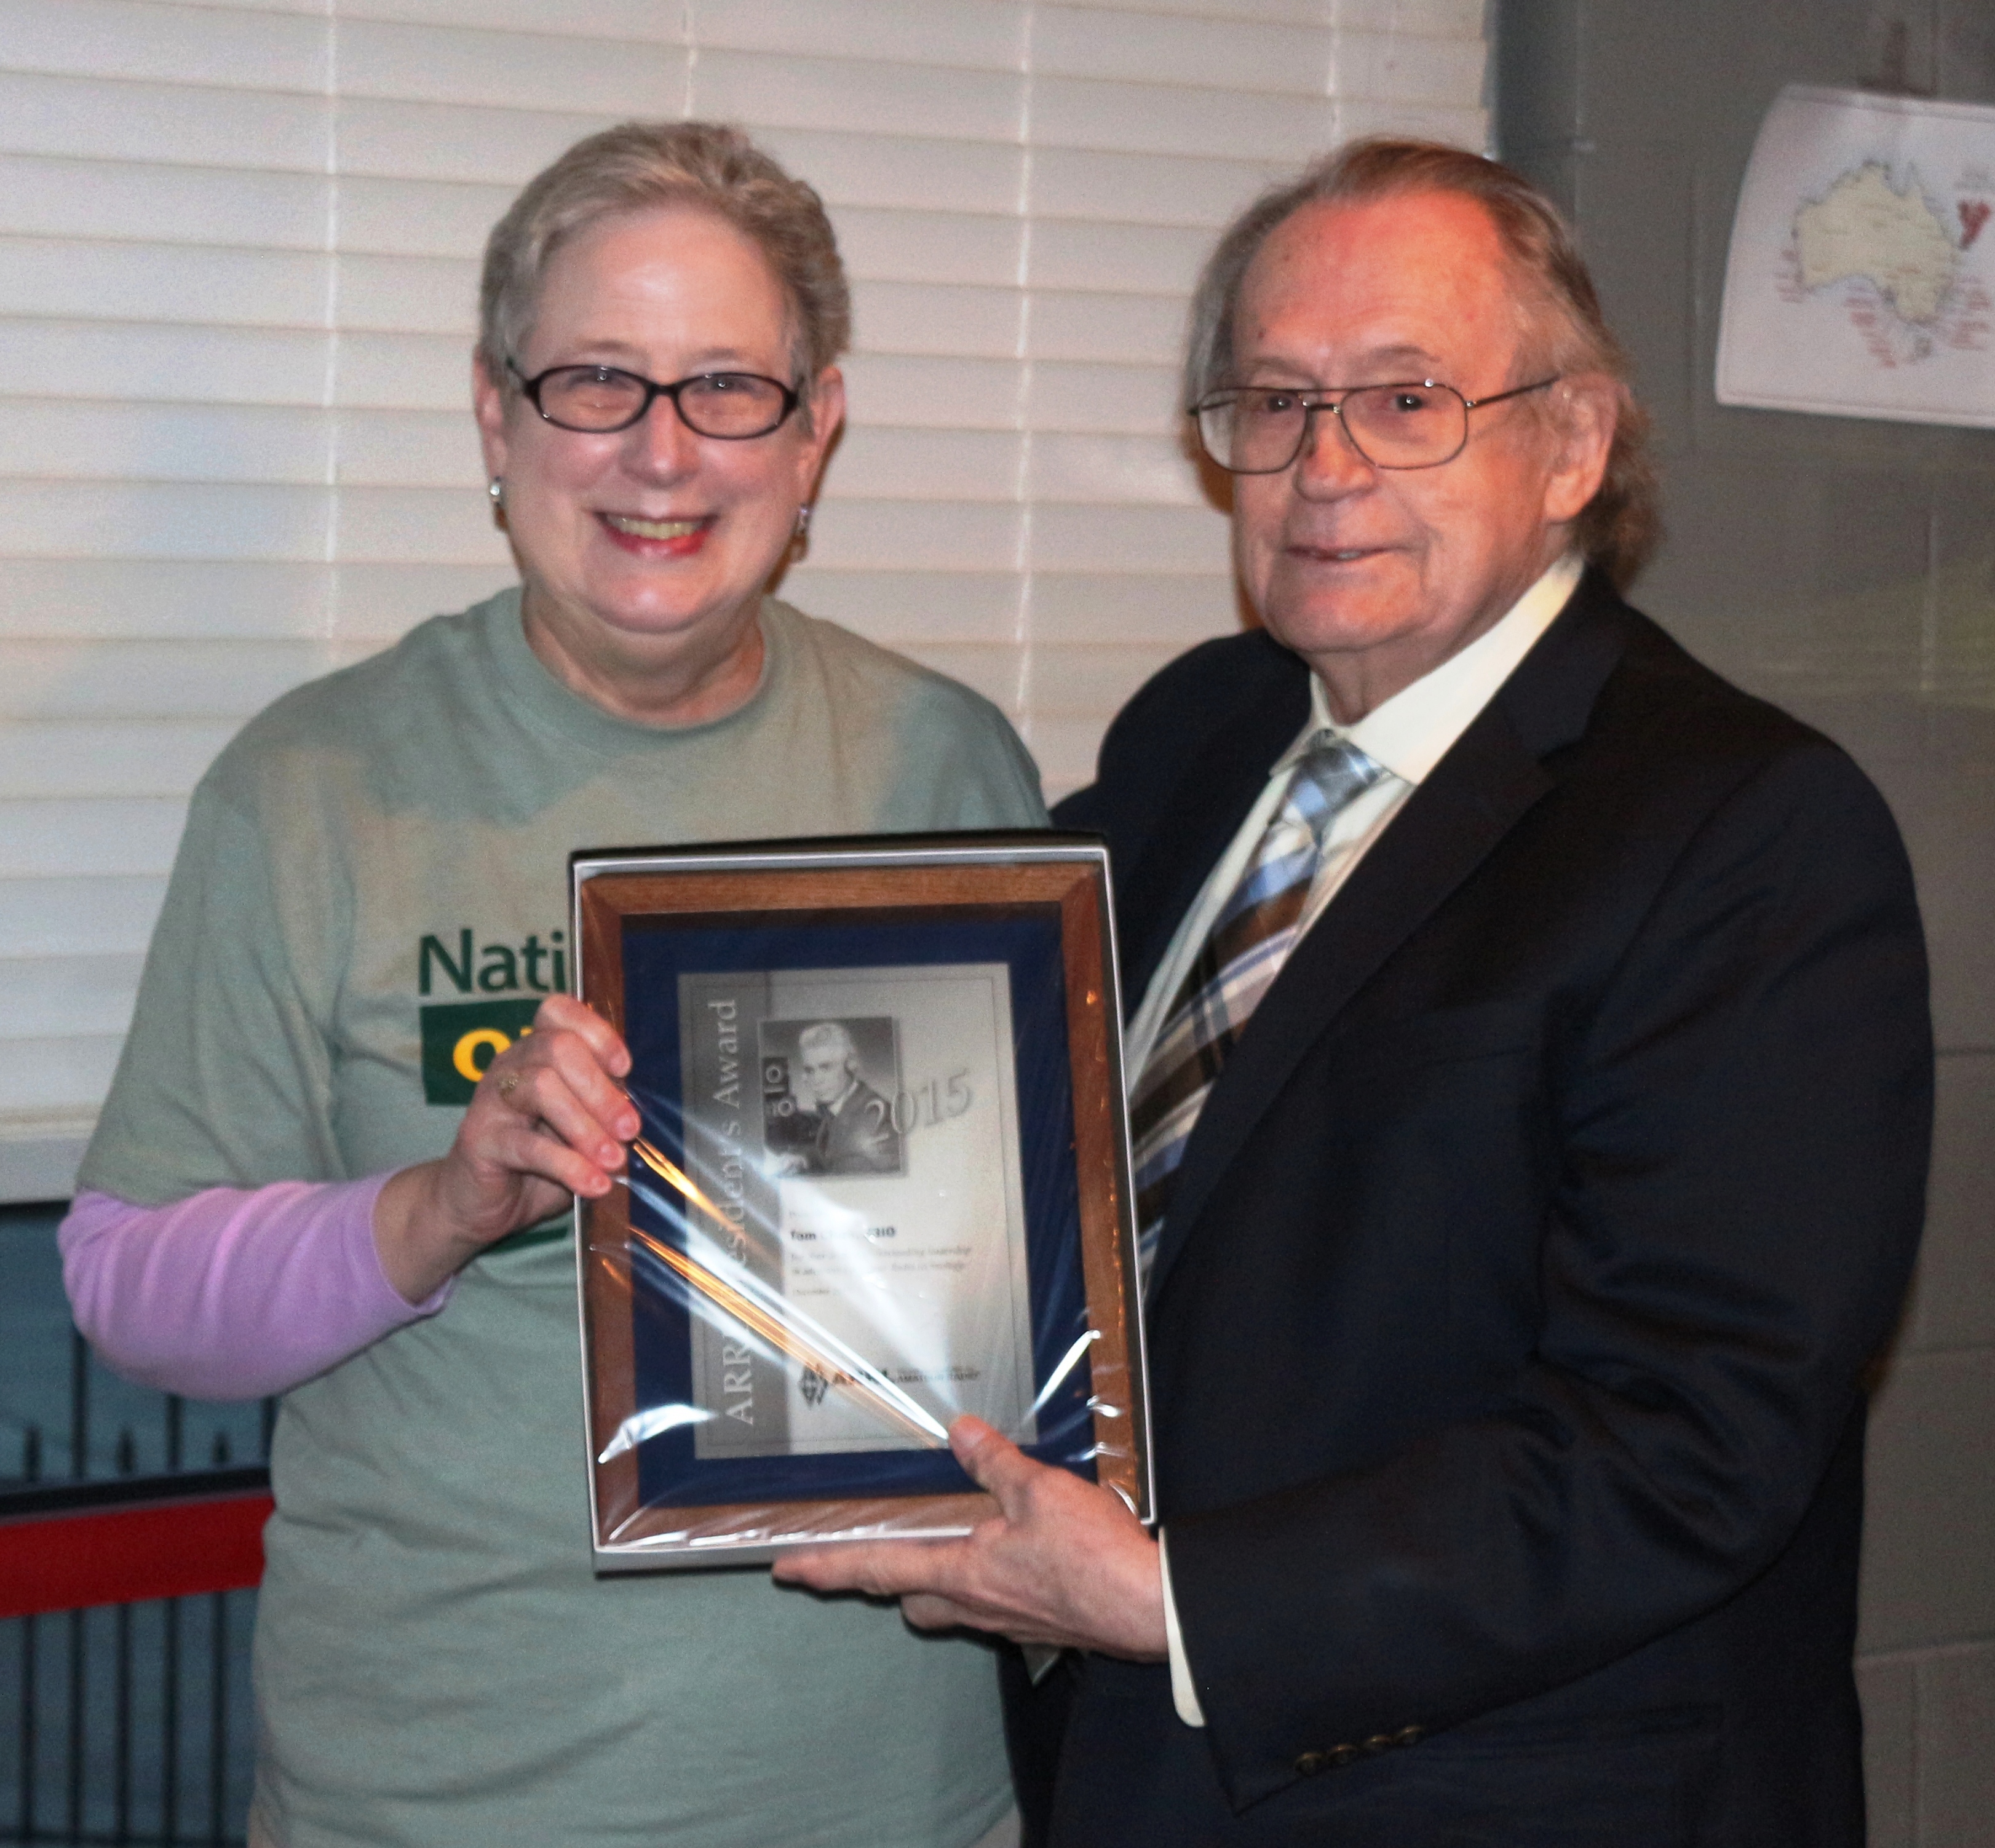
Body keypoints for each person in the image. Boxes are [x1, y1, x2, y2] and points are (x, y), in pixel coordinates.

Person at [774, 139, 1933, 1846]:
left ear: (1572, 444)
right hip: (1134, 1776)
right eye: (1272, 401)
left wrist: (1178, 1601)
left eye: (1404, 399)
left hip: (1515, 1795)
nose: (1322, 467)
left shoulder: (1743, 833)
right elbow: (1006, 1116)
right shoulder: (1199, 733)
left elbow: (1692, 1437)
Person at [60, 121, 1042, 1848]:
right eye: (595, 380)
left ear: (814, 430)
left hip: (888, 1797)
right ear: (494, 417)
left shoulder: (945, 767)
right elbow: (129, 1284)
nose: (661, 450)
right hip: (433, 1798)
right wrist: (436, 1209)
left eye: (726, 385)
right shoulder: (311, 789)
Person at [793, 1021, 902, 1173]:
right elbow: (831, 1151)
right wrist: (804, 1159)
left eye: (826, 1068)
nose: (817, 1080)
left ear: (850, 1065)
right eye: (810, 1070)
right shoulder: (838, 1108)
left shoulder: (876, 1116)